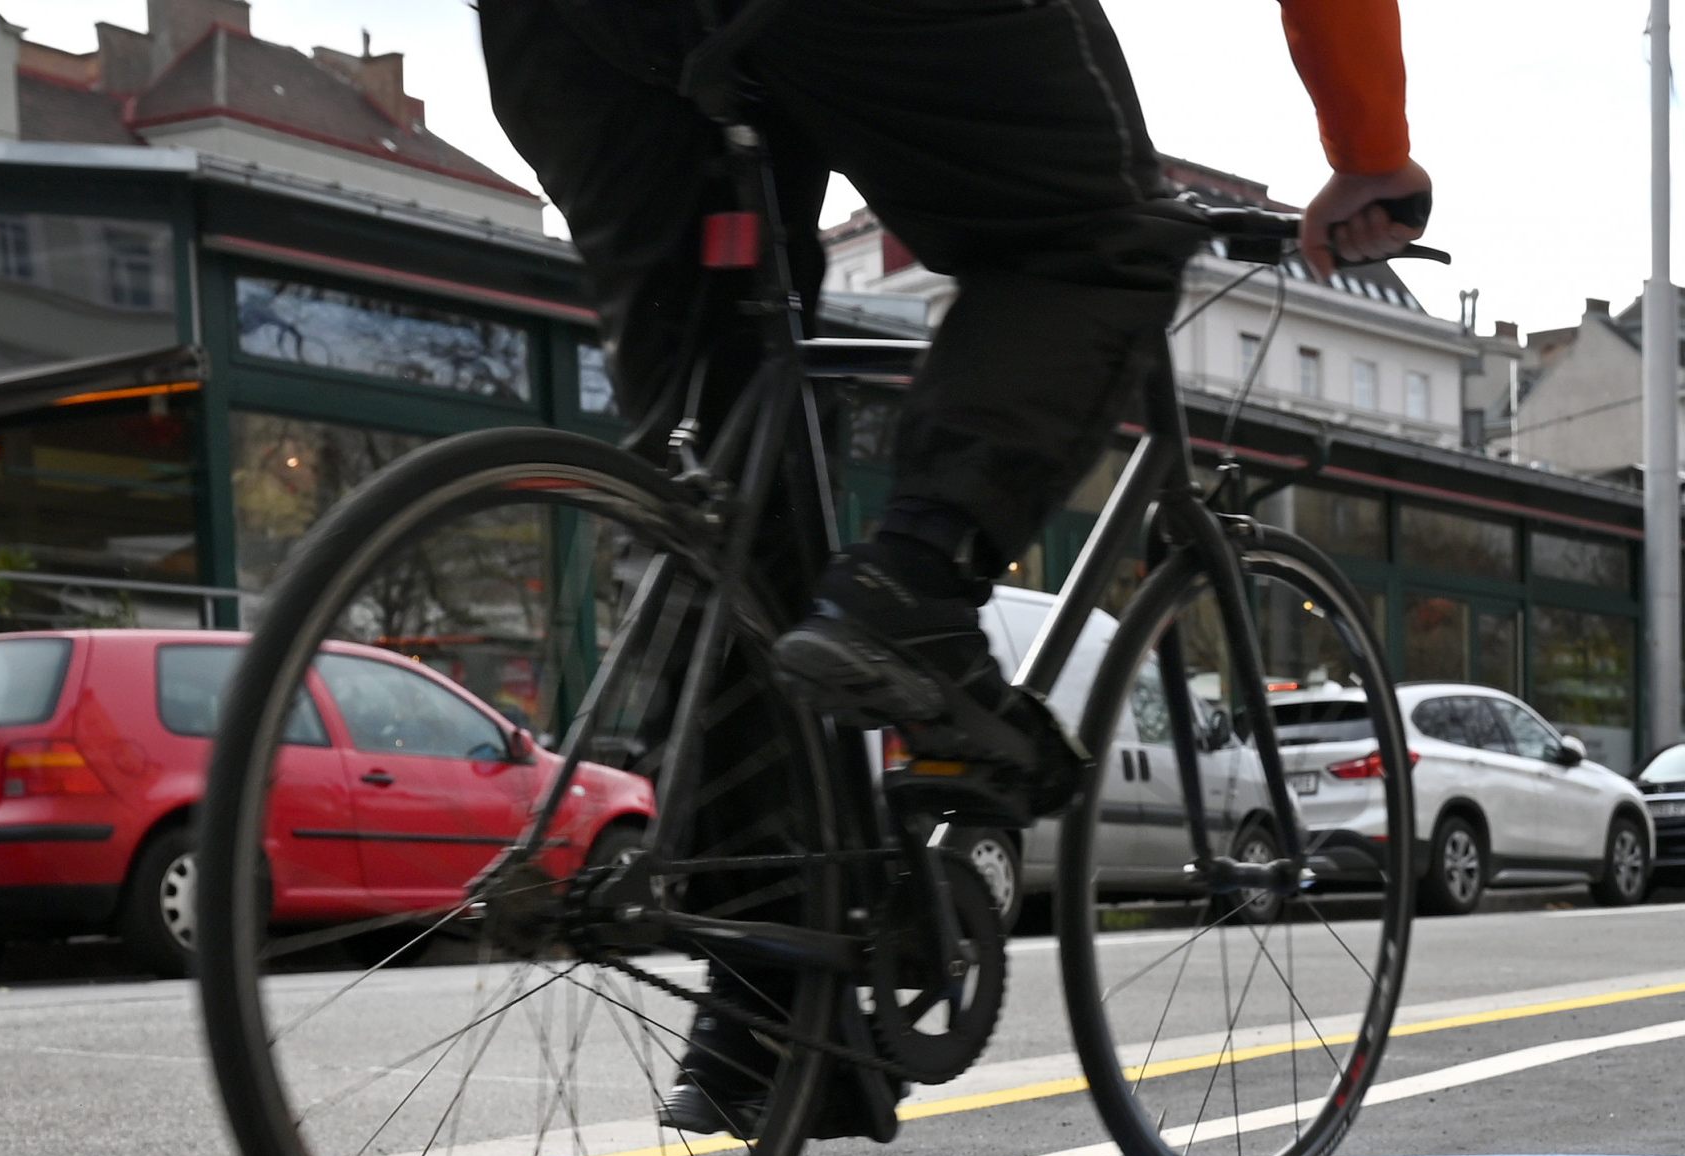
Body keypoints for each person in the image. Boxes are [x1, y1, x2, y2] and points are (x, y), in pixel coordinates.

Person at [479, 0, 1430, 805]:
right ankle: (914, 581)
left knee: (727, 476)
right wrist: (1370, 147)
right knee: (1099, 238)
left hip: (562, 29)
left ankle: (768, 993)